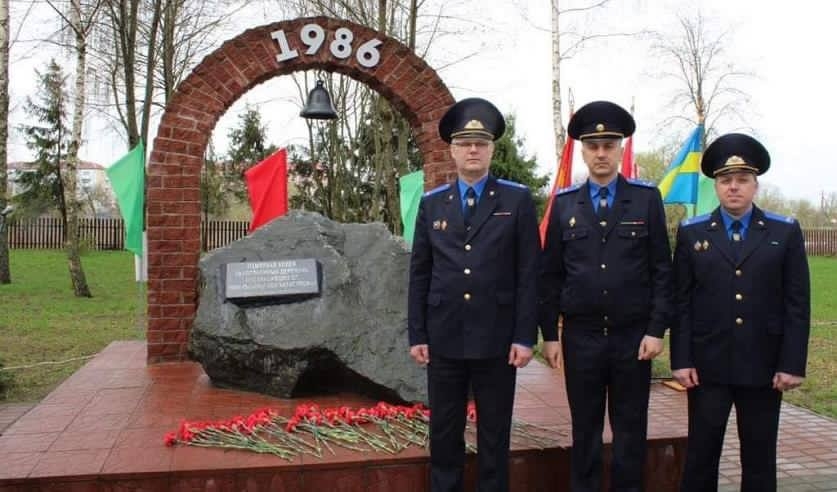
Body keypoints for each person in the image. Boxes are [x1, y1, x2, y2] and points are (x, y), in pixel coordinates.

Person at [539, 100, 673, 492]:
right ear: (583, 150)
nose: (601, 153)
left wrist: (656, 329)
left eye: (609, 145)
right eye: (593, 146)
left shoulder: (646, 199)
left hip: (633, 338)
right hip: (580, 338)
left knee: (631, 430)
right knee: (585, 430)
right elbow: (550, 276)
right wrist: (549, 335)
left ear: (620, 149)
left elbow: (661, 270)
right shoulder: (565, 204)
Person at [407, 97, 540, 492]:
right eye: (465, 143)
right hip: (444, 335)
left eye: (481, 143)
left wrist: (524, 336)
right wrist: (418, 333)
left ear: (491, 149)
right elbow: (420, 272)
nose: (473, 150)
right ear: (452, 150)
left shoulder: (516, 200)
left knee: (494, 435)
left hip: (497, 337)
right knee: (444, 431)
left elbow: (528, 272)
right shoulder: (432, 204)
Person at [671, 133, 810, 492]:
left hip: (764, 367)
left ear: (755, 185)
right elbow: (681, 302)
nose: (733, 187)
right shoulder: (692, 233)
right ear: (716, 186)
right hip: (707, 367)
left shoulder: (784, 231)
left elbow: (797, 303)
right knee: (700, 459)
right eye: (725, 180)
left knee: (760, 460)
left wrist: (792, 363)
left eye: (742, 179)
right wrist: (681, 359)